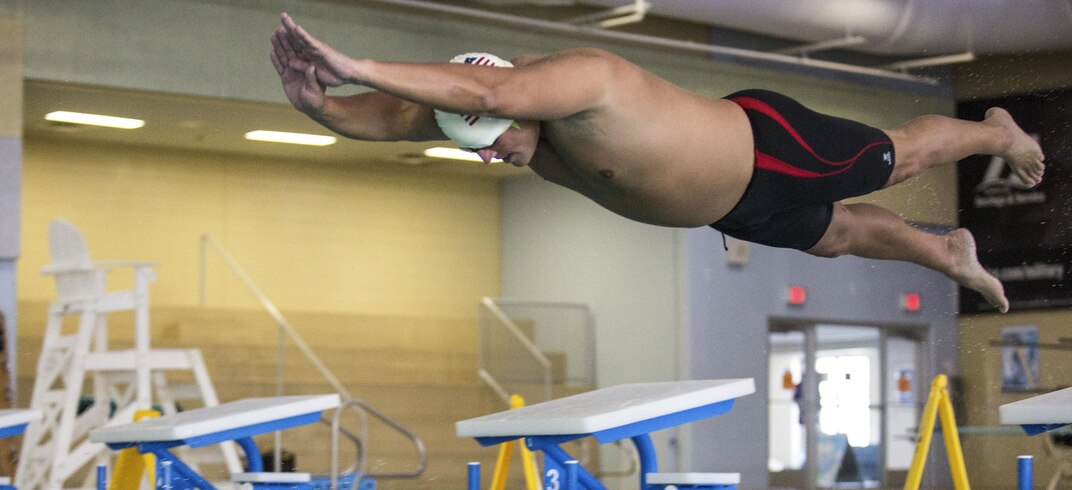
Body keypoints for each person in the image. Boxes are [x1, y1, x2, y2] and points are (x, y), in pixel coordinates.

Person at [270, 12, 1046, 313]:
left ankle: (998, 133)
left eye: (495, 138)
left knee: (900, 160)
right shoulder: (494, 118)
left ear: (512, 101)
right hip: (730, 204)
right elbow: (406, 121)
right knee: (837, 236)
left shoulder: (578, 81)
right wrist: (321, 106)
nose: (493, 156)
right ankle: (946, 251)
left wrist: (360, 61)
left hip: (766, 144)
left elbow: (484, 85)